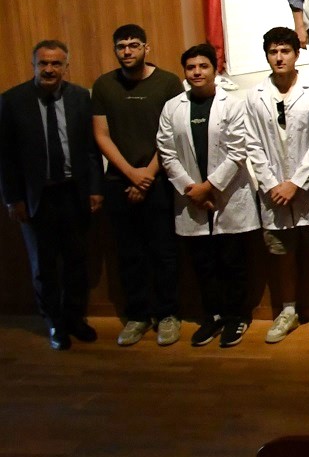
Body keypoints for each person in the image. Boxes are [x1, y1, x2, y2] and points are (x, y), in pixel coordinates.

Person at [240, 28, 309, 347]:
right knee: (281, 253)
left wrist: (296, 182)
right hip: (273, 192)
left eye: (285, 51)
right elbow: (252, 143)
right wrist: (272, 184)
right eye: (273, 52)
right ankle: (289, 310)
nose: (279, 57)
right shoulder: (254, 97)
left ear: (297, 54)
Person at [157, 43, 260, 348]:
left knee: (232, 261)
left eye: (203, 66)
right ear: (184, 72)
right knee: (203, 264)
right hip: (191, 197)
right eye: (191, 67)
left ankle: (237, 316)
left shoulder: (232, 104)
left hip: (227, 195)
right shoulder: (172, 107)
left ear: (215, 70)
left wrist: (210, 187)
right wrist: (192, 189)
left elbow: (238, 150)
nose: (197, 72)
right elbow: (166, 151)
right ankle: (213, 316)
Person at [1, 39, 101, 350]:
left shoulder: (80, 97)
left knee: (76, 261)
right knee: (43, 266)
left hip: (74, 193)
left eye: (56, 63)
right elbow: (5, 156)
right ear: (33, 65)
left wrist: (95, 189)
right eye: (43, 63)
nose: (49, 69)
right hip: (36, 197)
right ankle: (55, 322)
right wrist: (13, 198)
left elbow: (90, 149)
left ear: (66, 67)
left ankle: (74, 318)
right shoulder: (12, 101)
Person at [92, 24, 185, 347]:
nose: (127, 51)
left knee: (164, 252)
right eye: (121, 46)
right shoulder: (104, 85)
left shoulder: (168, 82)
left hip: (159, 180)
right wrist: (132, 174)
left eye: (133, 45)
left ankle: (168, 314)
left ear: (147, 48)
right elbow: (101, 135)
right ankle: (137, 316)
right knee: (128, 254)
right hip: (119, 181)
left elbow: (172, 134)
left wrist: (146, 175)